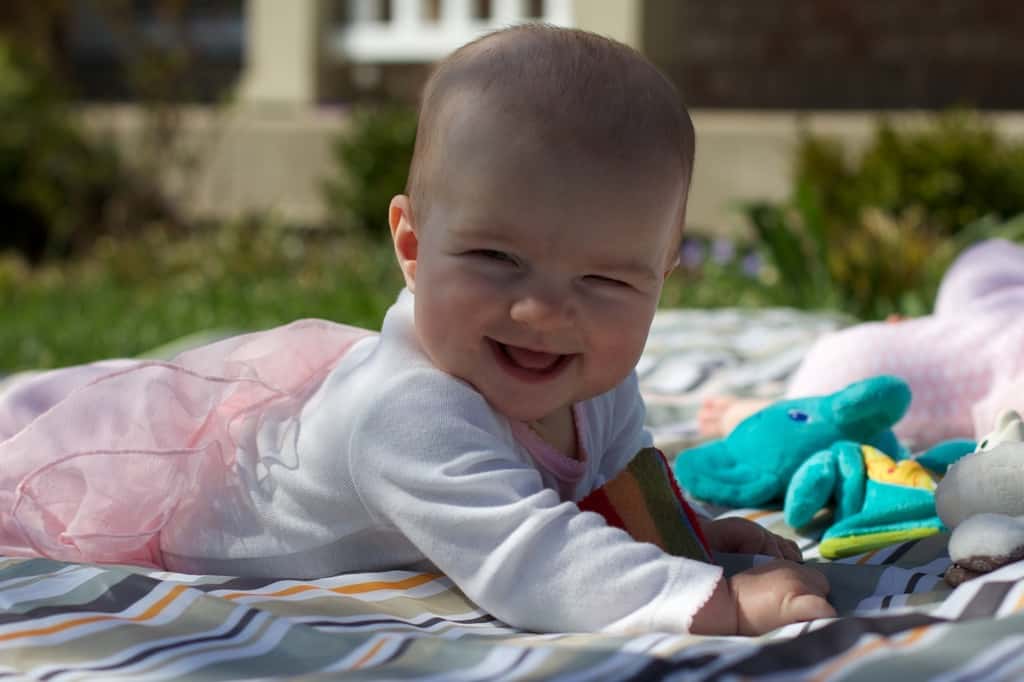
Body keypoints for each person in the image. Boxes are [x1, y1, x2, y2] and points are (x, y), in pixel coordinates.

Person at [0, 25, 835, 636]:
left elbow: (613, 477)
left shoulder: (600, 375)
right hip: (206, 506)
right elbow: (533, 560)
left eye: (606, 279)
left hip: (309, 418)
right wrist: (707, 601)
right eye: (495, 257)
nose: (544, 312)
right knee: (40, 444)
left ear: (662, 277)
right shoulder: (408, 416)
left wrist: (674, 528)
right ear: (410, 245)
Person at [699, 238, 1024, 449]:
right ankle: (762, 416)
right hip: (868, 374)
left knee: (982, 264)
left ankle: (764, 416)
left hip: (867, 372)